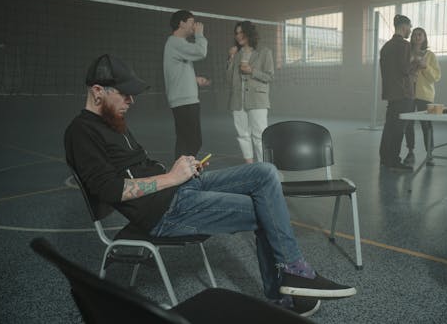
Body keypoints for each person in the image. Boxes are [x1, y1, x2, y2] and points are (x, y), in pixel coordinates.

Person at [65, 54, 357, 318]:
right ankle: (285, 288)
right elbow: (109, 190)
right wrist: (172, 178)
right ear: (98, 92)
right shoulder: (81, 132)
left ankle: (291, 274)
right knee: (265, 209)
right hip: (164, 213)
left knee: (265, 172)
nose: (132, 100)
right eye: (125, 94)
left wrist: (182, 170)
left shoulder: (115, 121)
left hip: (178, 190)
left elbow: (139, 167)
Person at [163, 10, 211, 159]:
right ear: (181, 23)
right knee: (192, 141)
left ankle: (182, 175)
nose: (194, 25)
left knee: (186, 142)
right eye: (191, 22)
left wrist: (194, 79)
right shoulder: (175, 42)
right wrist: (200, 34)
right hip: (184, 101)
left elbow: (177, 70)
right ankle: (183, 173)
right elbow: (201, 52)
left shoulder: (179, 44)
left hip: (185, 100)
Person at [226, 21, 274, 163]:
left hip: (257, 100)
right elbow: (229, 80)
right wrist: (231, 58)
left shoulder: (264, 52)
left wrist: (252, 71)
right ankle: (250, 167)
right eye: (237, 33)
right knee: (242, 135)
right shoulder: (236, 54)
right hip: (237, 100)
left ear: (249, 33)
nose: (239, 36)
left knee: (260, 136)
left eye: (242, 32)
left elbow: (269, 76)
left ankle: (264, 167)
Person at [379, 14, 417, 171]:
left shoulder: (386, 46)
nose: (410, 30)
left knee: (389, 126)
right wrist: (417, 63)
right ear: (404, 26)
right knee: (399, 128)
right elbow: (405, 69)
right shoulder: (404, 45)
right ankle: (394, 160)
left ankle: (385, 158)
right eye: (410, 27)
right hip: (403, 93)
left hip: (391, 93)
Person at [403, 27, 441, 166]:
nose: (417, 37)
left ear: (425, 37)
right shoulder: (407, 53)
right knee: (408, 124)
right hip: (408, 94)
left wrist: (425, 66)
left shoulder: (430, 55)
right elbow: (404, 72)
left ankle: (430, 154)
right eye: (415, 35)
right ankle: (410, 152)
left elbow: (436, 77)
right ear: (412, 38)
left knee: (426, 124)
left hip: (425, 95)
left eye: (420, 34)